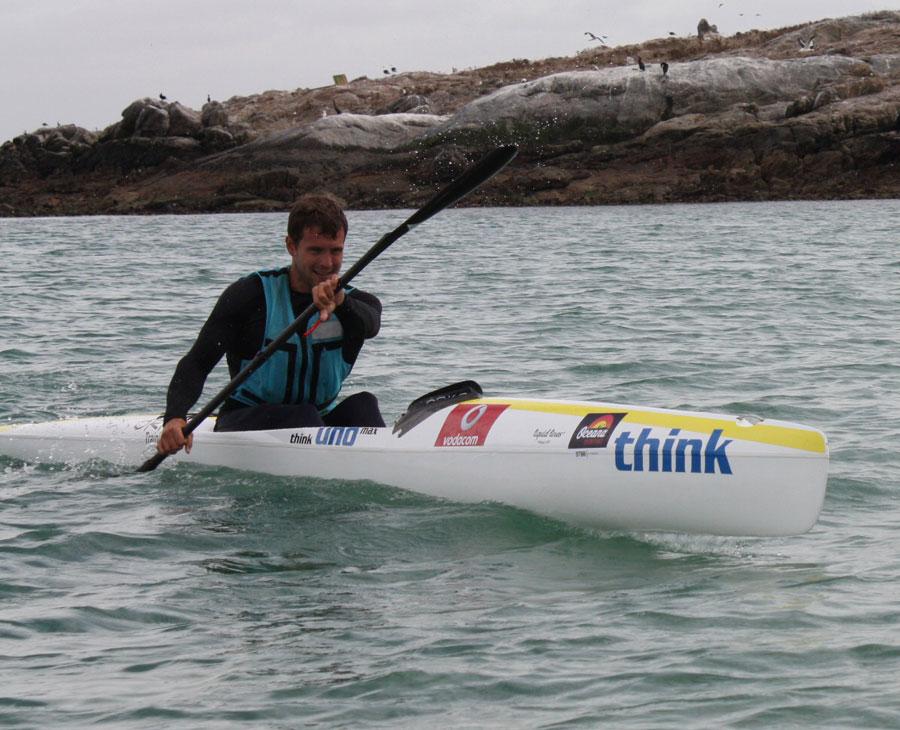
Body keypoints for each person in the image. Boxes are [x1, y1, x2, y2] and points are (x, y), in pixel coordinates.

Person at [156, 193, 384, 455]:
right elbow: (197, 362)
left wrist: (342, 302)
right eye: (315, 250)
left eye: (336, 250)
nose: (327, 263)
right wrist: (175, 417)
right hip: (245, 419)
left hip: (316, 419)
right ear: (291, 246)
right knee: (302, 417)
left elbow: (370, 325)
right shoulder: (250, 296)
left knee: (364, 406)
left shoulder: (357, 304)